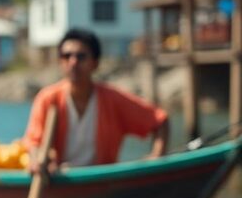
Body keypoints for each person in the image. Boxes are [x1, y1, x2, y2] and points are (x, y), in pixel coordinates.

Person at [24, 27, 168, 173]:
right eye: (67, 56)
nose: (73, 62)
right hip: (60, 179)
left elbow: (159, 120)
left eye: (81, 57)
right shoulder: (48, 99)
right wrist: (41, 161)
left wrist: (157, 156)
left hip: (102, 179)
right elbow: (33, 143)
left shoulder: (112, 100)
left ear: (95, 63)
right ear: (60, 61)